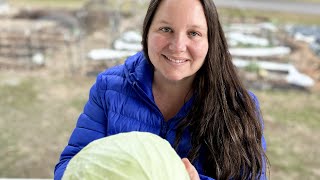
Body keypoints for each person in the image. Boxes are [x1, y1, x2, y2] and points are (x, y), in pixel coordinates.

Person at [54, 0, 268, 179]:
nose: (177, 46)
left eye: (193, 33)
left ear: (211, 41)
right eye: (166, 29)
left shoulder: (238, 105)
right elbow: (70, 165)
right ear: (147, 32)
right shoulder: (109, 88)